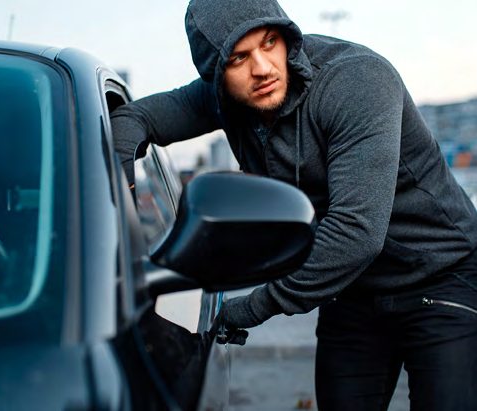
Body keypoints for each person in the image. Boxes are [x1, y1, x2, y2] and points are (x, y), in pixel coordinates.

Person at [110, 0, 477, 409]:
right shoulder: (220, 97)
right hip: (350, 290)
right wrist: (119, 209)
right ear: (214, 73)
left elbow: (356, 233)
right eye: (239, 58)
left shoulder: (355, 80)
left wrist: (250, 307)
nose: (263, 67)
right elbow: (130, 120)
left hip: (439, 275)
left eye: (270, 42)